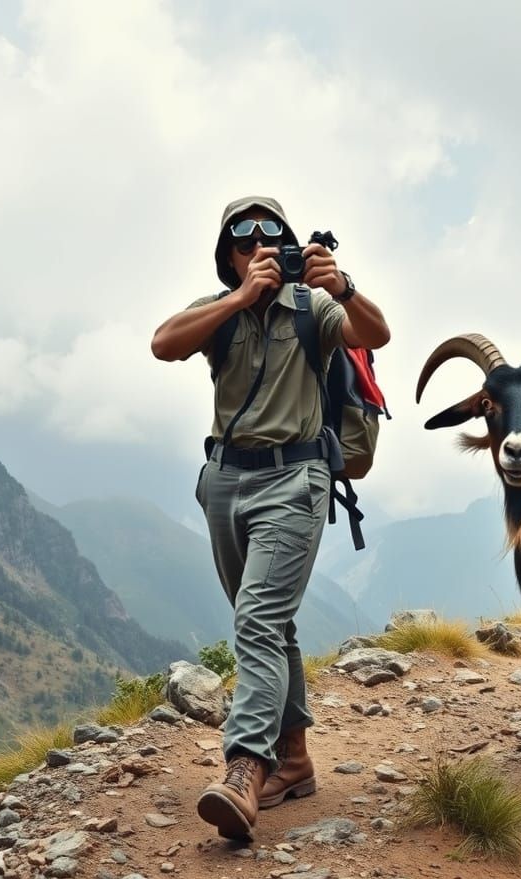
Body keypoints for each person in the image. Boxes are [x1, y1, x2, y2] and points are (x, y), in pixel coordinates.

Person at [151, 196, 390, 841]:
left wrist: (345, 284)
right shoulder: (218, 312)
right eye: (242, 239)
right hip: (226, 481)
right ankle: (296, 761)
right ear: (228, 256)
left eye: (271, 236)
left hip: (296, 479)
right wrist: (236, 299)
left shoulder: (315, 307)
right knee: (267, 621)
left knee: (256, 616)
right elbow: (162, 344)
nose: (258, 246)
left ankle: (245, 767)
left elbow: (376, 333)